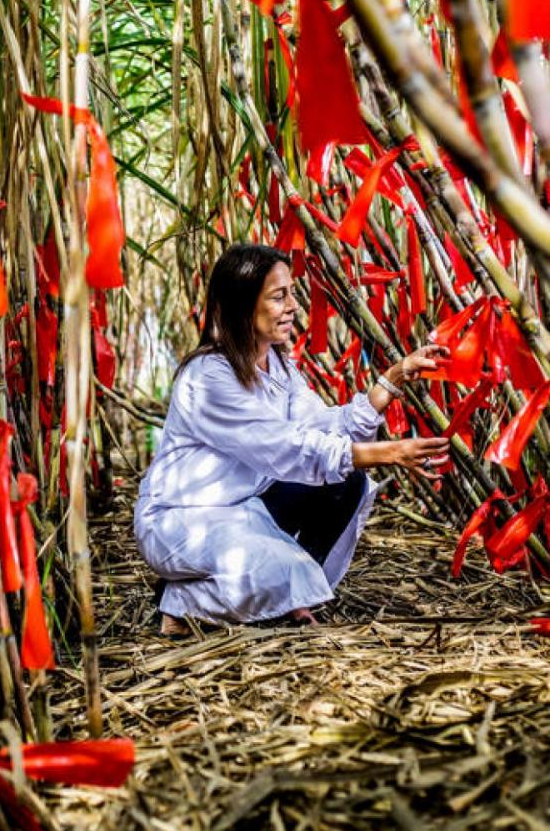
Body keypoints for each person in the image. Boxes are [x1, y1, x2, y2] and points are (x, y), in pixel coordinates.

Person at [135, 244, 450, 632]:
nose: (293, 307)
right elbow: (285, 447)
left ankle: (281, 596)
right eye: (279, 296)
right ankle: (183, 602)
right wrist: (389, 452)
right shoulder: (208, 377)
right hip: (186, 519)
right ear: (242, 304)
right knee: (284, 572)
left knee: (344, 483)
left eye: (292, 293)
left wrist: (392, 380)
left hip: (246, 507)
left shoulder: (280, 366)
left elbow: (321, 427)